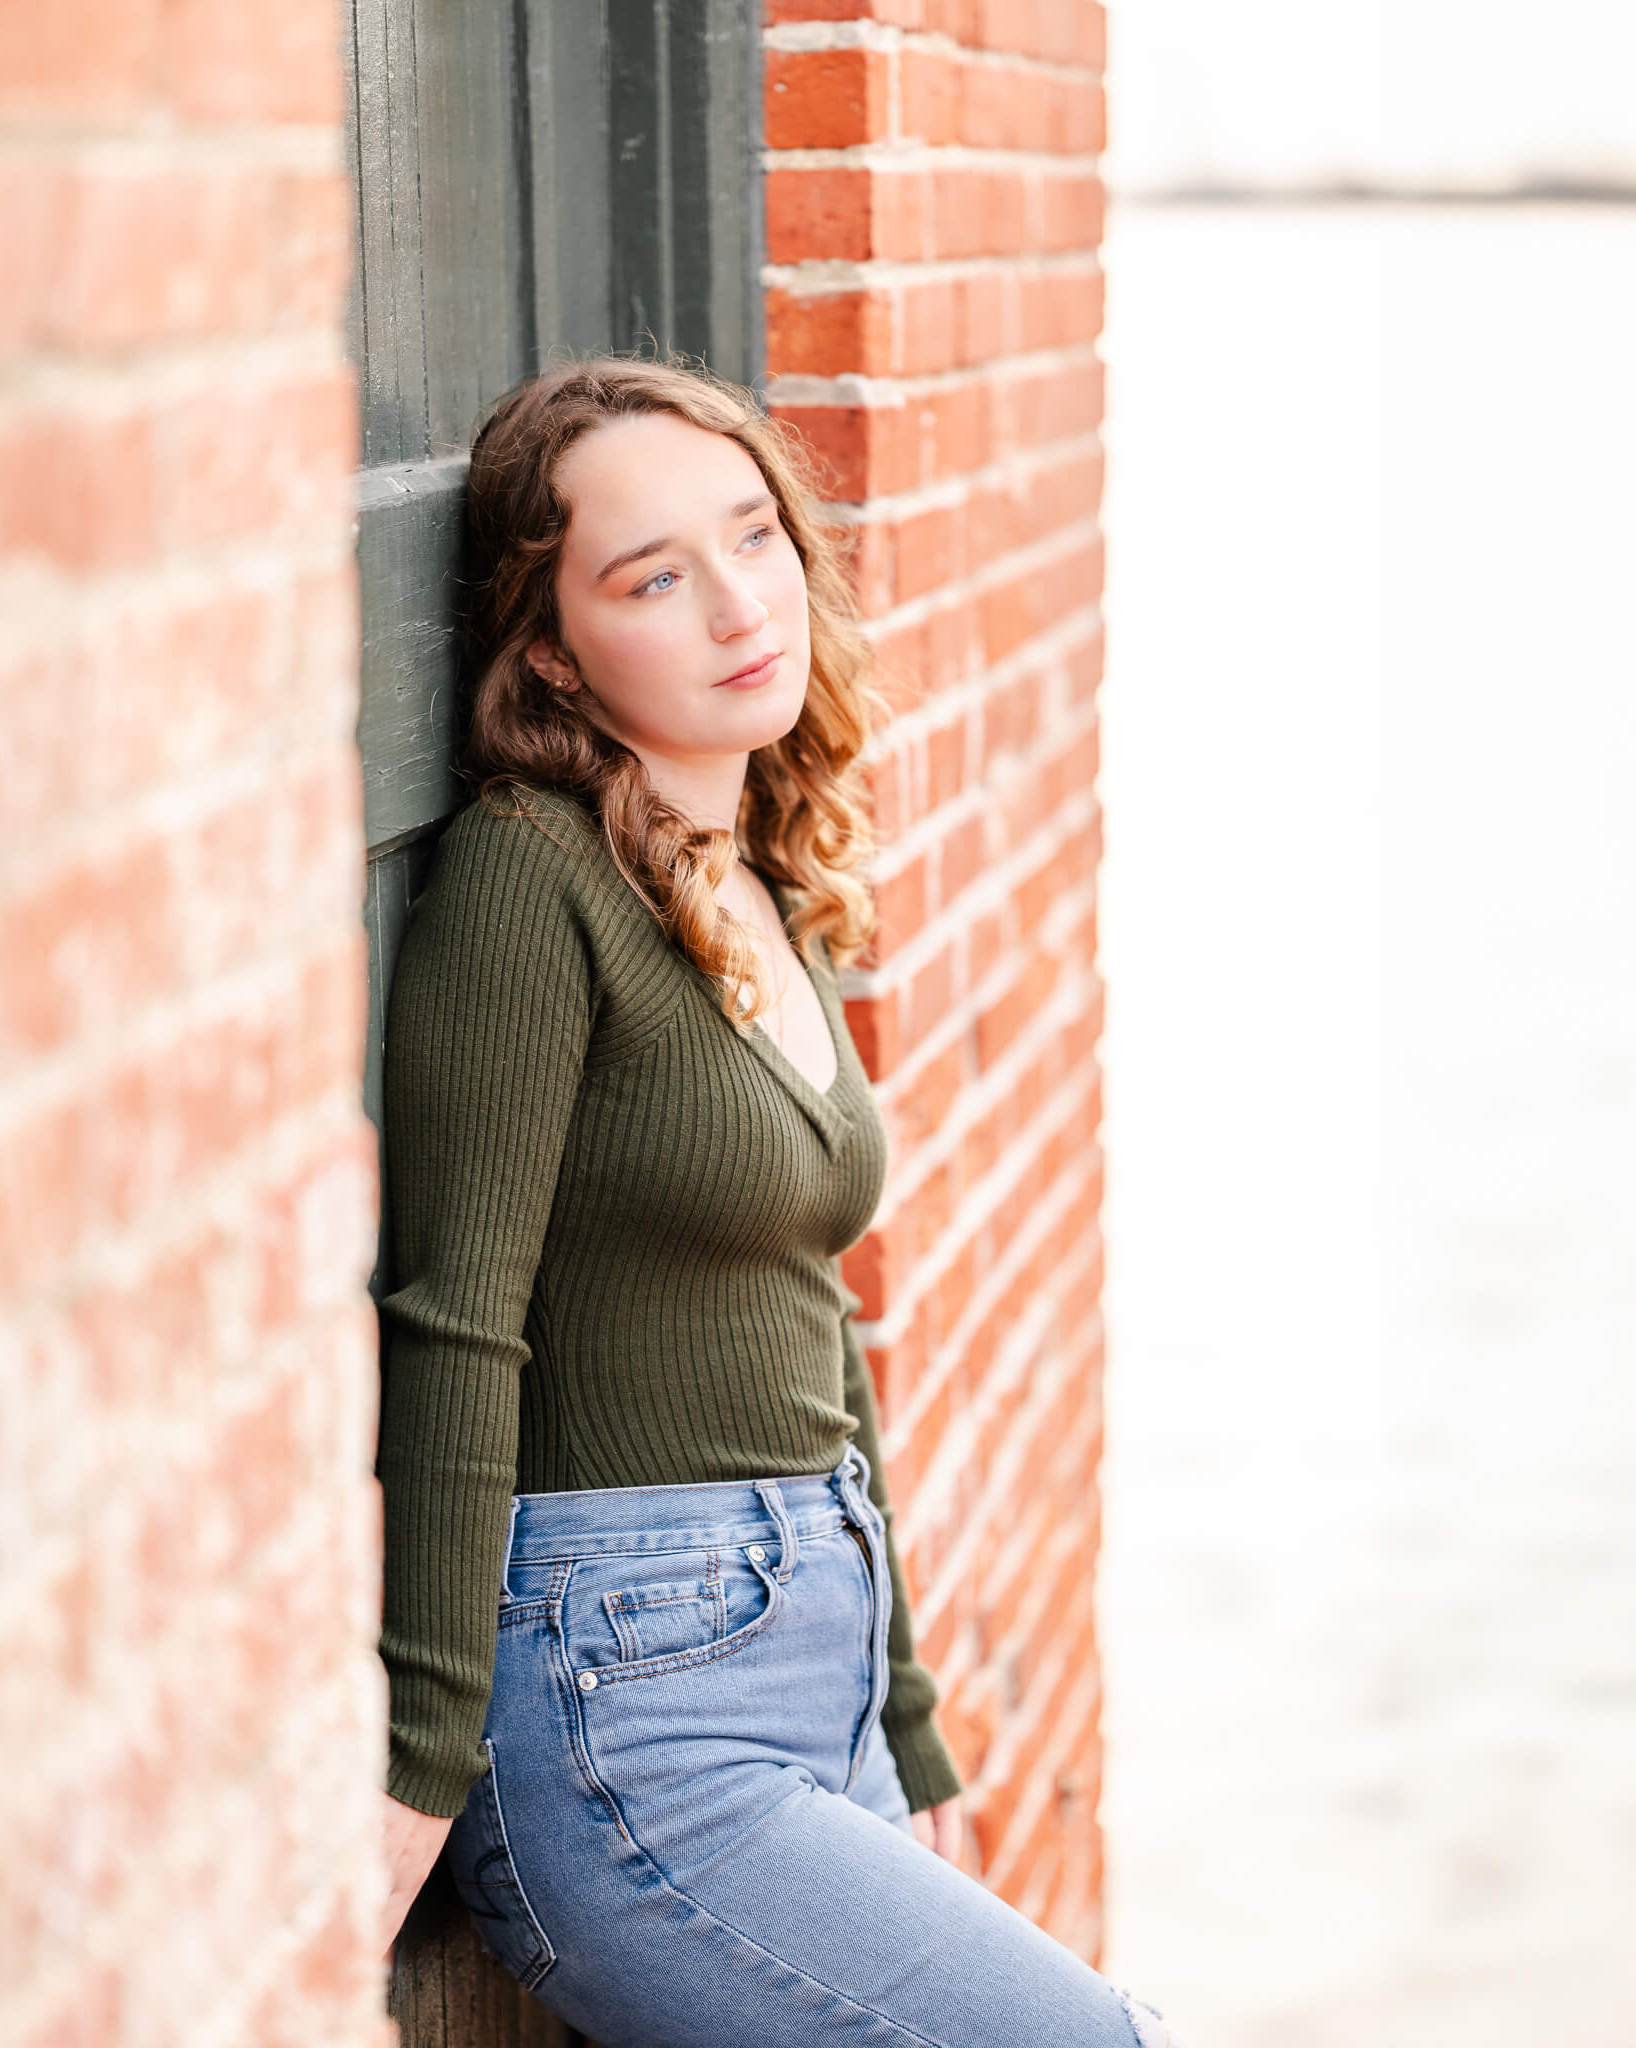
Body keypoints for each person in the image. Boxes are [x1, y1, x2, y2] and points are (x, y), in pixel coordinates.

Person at [373, 355, 1179, 2047]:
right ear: (550, 648)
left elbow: (811, 1301)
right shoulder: (534, 882)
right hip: (618, 1690)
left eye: (754, 537)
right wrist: (417, 1770)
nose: (740, 603)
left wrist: (904, 1720)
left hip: (804, 1638)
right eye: (651, 577)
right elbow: (459, 1323)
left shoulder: (751, 873)